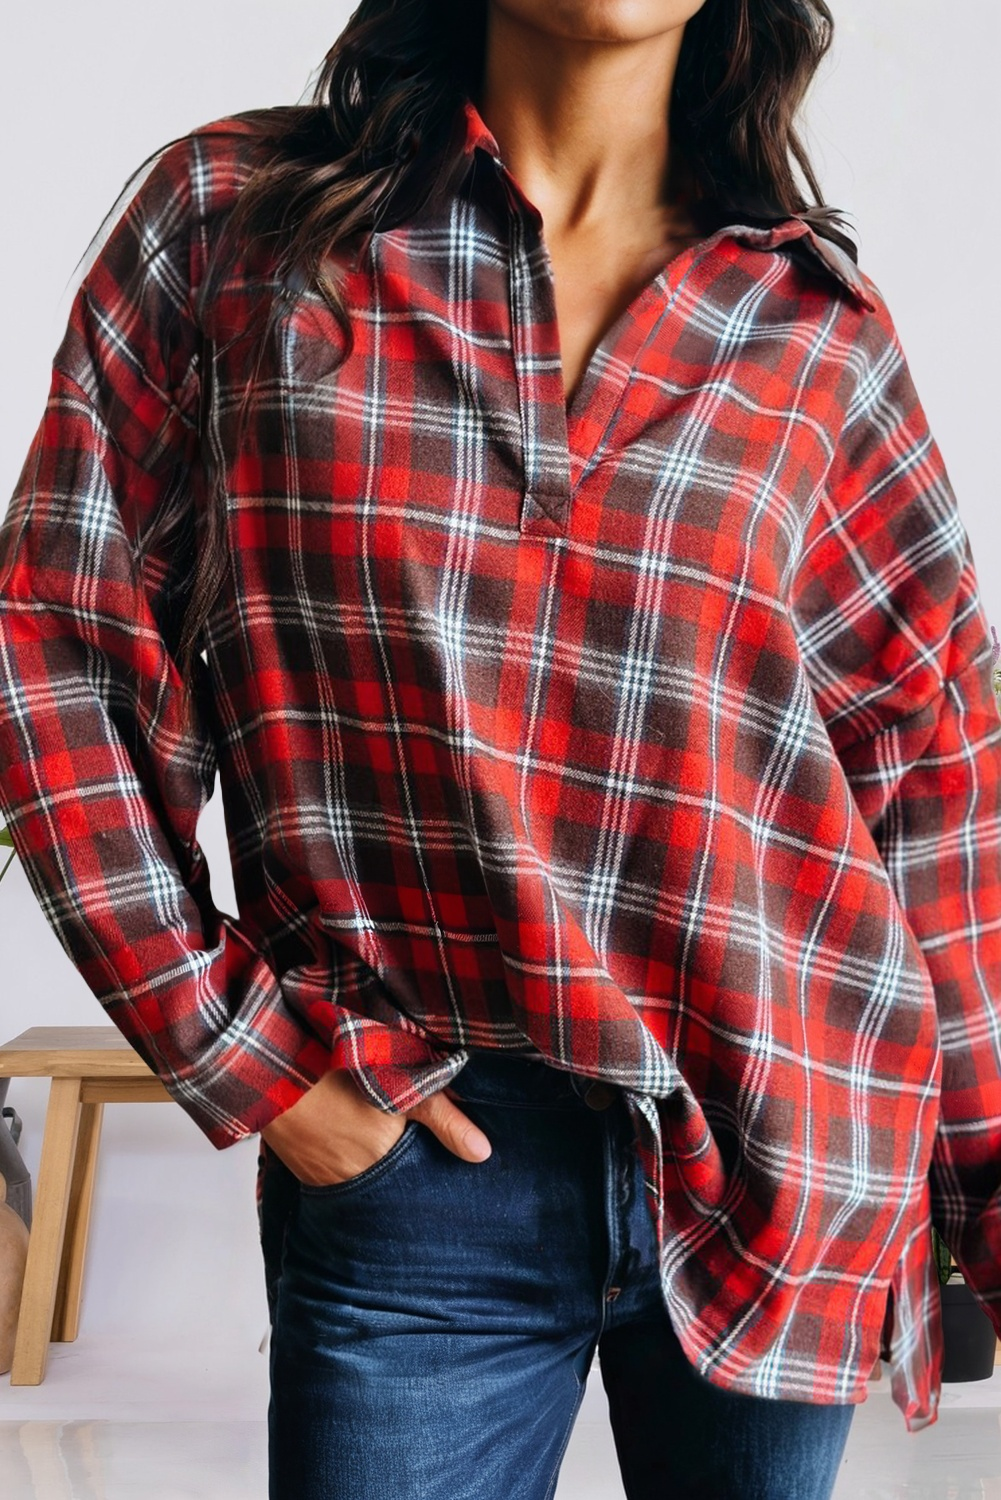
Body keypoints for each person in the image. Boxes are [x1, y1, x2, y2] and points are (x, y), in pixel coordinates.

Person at [0, 1, 998, 1496]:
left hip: (784, 1150)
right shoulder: (237, 226)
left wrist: (989, 1199)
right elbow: (54, 646)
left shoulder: (815, 337)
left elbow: (935, 791)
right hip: (416, 1164)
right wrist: (250, 1060)